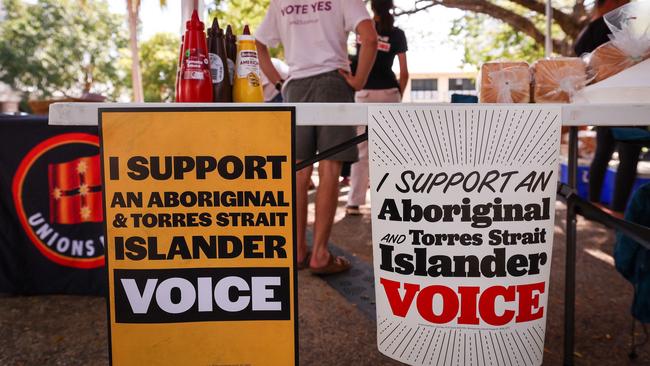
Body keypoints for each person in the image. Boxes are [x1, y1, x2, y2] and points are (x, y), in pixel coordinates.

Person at [256, 0, 378, 274]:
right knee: (330, 170)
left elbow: (258, 44)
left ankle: (298, 251)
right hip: (332, 83)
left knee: (299, 172)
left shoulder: (282, 3)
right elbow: (369, 37)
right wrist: (358, 80)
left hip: (295, 87)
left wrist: (279, 83)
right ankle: (320, 255)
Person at [574, 0, 640, 214]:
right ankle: (615, 211)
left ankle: (599, 205)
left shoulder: (596, 26)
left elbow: (578, 53)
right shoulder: (617, 24)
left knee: (607, 153)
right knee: (626, 154)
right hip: (624, 98)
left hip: (608, 99)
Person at [346, 0, 408, 216]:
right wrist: (397, 94)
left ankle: (354, 202)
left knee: (361, 151)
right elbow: (404, 72)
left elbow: (353, 63)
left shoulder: (364, 29)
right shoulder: (397, 34)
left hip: (364, 93)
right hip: (390, 94)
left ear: (372, 8)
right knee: (390, 151)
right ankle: (390, 204)